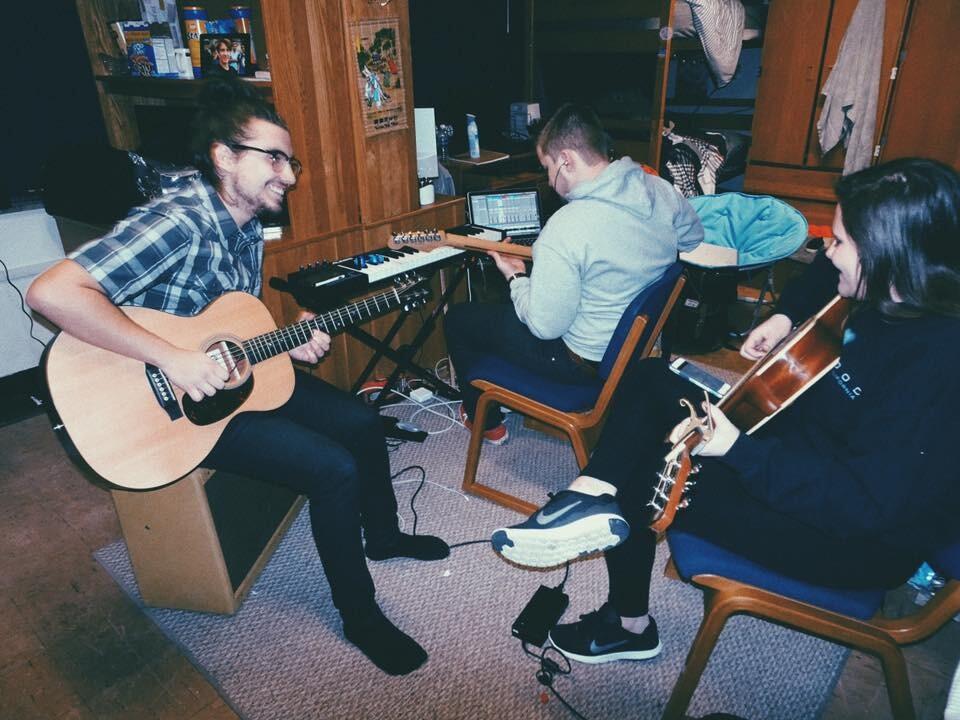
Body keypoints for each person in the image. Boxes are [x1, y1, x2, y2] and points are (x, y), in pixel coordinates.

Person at [27, 78, 448, 676]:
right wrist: (173, 358)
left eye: (292, 160)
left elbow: (226, 323)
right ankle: (360, 615)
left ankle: (381, 537)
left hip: (227, 380)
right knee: (333, 469)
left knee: (360, 421)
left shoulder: (246, 222)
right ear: (224, 156)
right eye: (273, 157)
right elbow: (51, 293)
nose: (291, 174)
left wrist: (289, 339)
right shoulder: (179, 221)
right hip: (167, 405)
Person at [489, 157, 960, 664]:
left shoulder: (937, 370)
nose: (827, 249)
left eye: (841, 241)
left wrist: (737, 451)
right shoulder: (897, 284)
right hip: (800, 452)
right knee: (650, 379)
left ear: (890, 256)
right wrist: (784, 317)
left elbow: (861, 507)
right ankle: (589, 493)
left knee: (649, 466)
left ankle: (627, 625)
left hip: (847, 538)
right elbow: (825, 272)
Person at [443, 103, 703, 444]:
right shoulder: (660, 189)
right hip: (632, 350)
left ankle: (486, 420)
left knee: (462, 319)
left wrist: (515, 276)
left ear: (566, 160)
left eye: (547, 168)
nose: (550, 181)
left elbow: (544, 327)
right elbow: (693, 238)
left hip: (582, 363)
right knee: (506, 318)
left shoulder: (566, 227)